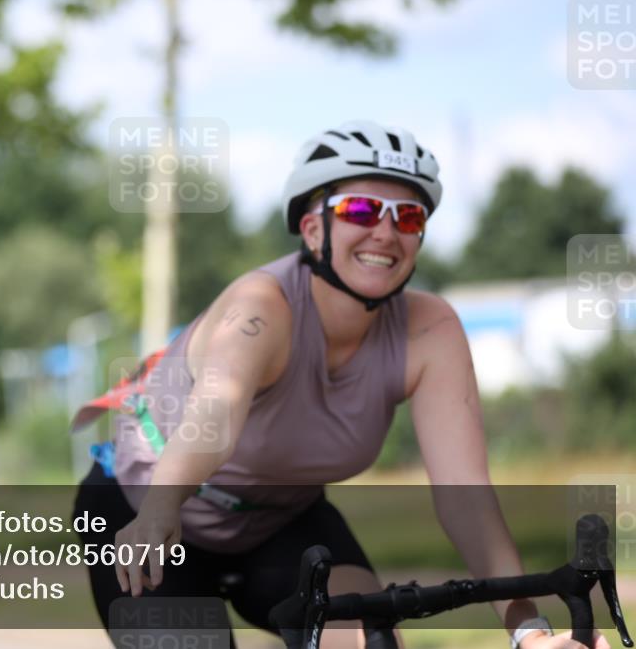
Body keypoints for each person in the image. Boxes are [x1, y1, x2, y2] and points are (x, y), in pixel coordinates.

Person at [70, 120, 611, 649]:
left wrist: (530, 633)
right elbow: (216, 415)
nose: (385, 232)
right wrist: (161, 507)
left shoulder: (431, 330)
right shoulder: (261, 308)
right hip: (141, 509)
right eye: (361, 210)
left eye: (408, 217)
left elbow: (465, 497)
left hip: (281, 522)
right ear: (312, 230)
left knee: (371, 642)